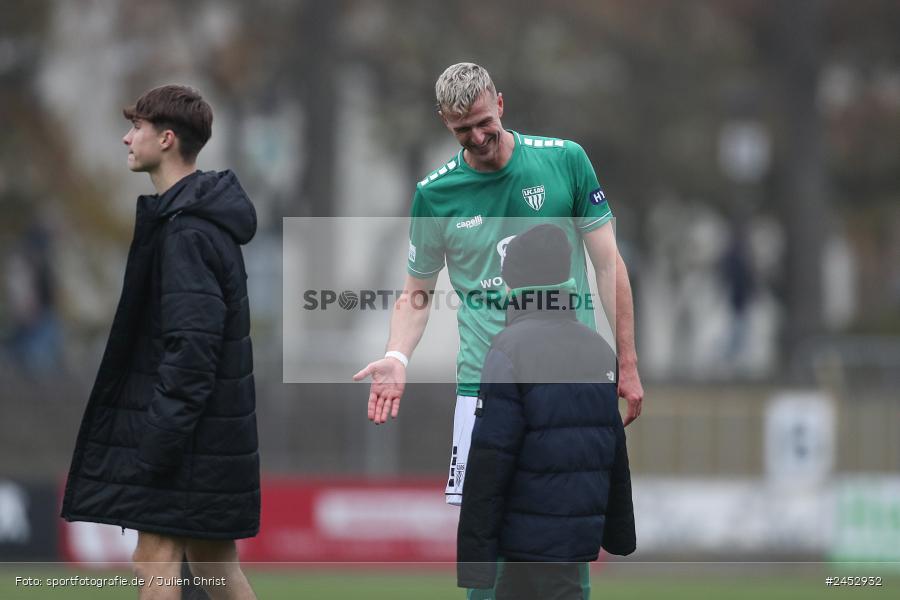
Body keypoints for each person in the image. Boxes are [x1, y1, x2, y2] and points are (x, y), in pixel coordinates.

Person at [60, 85, 259, 600]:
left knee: (155, 561)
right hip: (206, 437)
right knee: (216, 569)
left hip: (185, 441)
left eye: (137, 129)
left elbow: (191, 353)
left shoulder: (187, 232)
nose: (127, 138)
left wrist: (155, 443)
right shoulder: (193, 222)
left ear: (167, 139)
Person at [456, 223, 635, 600]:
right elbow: (614, 452)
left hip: (519, 543)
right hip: (572, 546)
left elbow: (491, 459)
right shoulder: (600, 350)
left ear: (518, 284)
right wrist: (619, 532)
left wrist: (475, 555)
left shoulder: (507, 350)